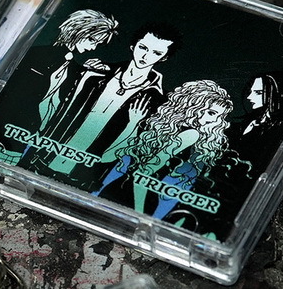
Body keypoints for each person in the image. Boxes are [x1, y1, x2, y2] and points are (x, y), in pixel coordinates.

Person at [0, 8, 119, 165]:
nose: (93, 48)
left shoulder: (73, 68)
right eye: (92, 40)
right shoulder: (36, 55)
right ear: (78, 31)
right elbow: (8, 94)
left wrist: (86, 71)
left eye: (97, 44)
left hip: (21, 146)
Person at [42, 22, 180, 183]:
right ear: (133, 46)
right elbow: (59, 106)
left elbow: (133, 145)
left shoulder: (158, 100)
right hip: (45, 156)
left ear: (164, 57)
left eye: (156, 53)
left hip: (86, 176)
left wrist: (134, 122)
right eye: (143, 48)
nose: (145, 56)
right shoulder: (97, 73)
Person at [94, 78, 235, 220]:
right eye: (211, 113)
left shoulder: (163, 130)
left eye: (219, 116)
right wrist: (140, 212)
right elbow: (144, 173)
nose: (215, 121)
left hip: (122, 190)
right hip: (139, 197)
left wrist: (133, 124)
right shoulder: (191, 134)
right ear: (194, 106)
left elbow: (111, 159)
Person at [207, 71, 283, 214]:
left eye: (258, 93)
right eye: (251, 92)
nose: (249, 97)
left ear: (278, 95)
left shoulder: (279, 132)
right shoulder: (243, 124)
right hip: (213, 185)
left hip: (240, 196)